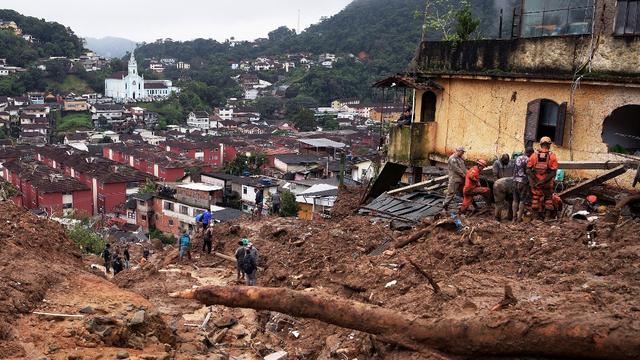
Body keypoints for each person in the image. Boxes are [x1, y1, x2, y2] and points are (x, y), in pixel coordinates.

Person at [527, 136, 559, 219]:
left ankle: (535, 218)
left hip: (536, 183)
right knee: (548, 199)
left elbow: (528, 170)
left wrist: (536, 180)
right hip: (547, 184)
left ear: (541, 145)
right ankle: (547, 218)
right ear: (549, 145)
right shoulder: (552, 156)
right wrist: (544, 181)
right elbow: (553, 172)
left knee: (535, 199)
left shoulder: (534, 155)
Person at [512, 147, 534, 222]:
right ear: (531, 153)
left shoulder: (517, 158)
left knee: (515, 200)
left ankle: (513, 218)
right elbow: (528, 172)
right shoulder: (529, 160)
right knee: (522, 200)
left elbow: (514, 169)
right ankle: (518, 219)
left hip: (515, 181)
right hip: (523, 182)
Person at [443, 146, 467, 211]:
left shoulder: (460, 158)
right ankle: (445, 206)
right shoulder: (452, 159)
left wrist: (467, 173)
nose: (463, 153)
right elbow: (457, 169)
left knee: (464, 193)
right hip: (455, 180)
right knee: (451, 193)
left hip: (461, 179)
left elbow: (464, 168)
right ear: (458, 151)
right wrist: (465, 175)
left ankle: (466, 206)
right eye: (462, 152)